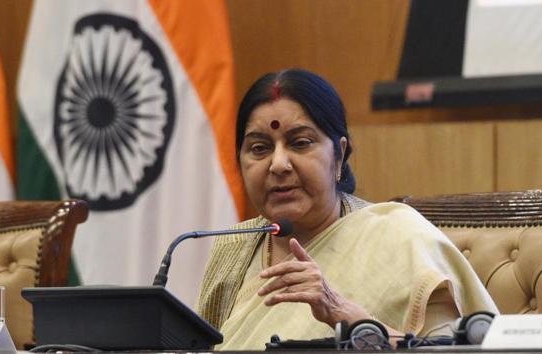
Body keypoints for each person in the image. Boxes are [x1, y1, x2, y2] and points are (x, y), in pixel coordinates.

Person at [196, 68, 498, 350]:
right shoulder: (234, 246)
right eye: (259, 148)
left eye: (299, 143)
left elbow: (455, 350)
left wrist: (344, 313)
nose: (278, 164)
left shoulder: (398, 238)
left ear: (339, 156)